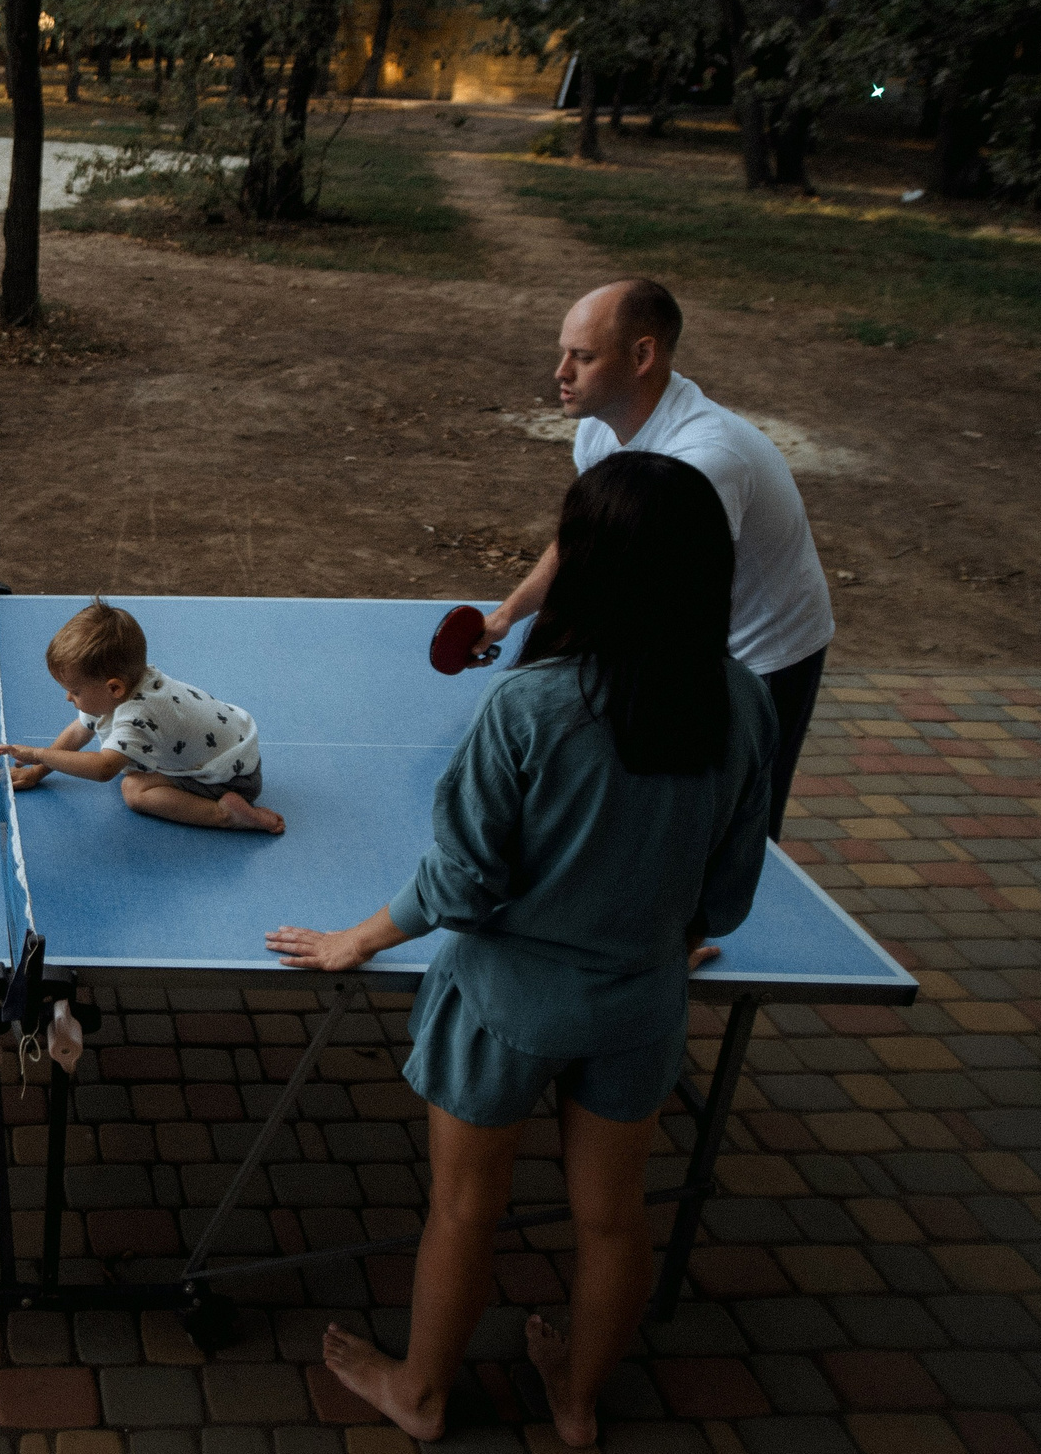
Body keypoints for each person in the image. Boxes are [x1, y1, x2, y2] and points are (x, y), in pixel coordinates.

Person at [268, 452, 773, 1448]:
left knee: (464, 1209)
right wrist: (668, 934)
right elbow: (727, 889)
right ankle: (578, 1402)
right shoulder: (742, 700)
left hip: (504, 1005)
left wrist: (354, 937)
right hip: (639, 1002)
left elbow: (462, 882)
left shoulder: (531, 705)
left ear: (584, 563)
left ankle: (419, 1393)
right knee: (614, 1219)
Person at [477, 278, 831, 838]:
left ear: (643, 355)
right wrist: (506, 615)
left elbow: (661, 603)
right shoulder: (601, 429)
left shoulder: (704, 461)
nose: (560, 372)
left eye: (583, 357)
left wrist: (549, 676)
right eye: (563, 352)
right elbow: (583, 540)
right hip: (692, 635)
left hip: (765, 651)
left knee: (738, 820)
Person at [0, 599, 285, 834]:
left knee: (134, 789)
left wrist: (37, 754)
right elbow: (80, 731)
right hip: (234, 747)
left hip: (231, 779)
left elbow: (104, 770)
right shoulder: (131, 682)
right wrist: (37, 771)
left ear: (114, 688)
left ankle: (224, 815)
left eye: (74, 691)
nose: (68, 698)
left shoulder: (137, 716)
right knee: (130, 769)